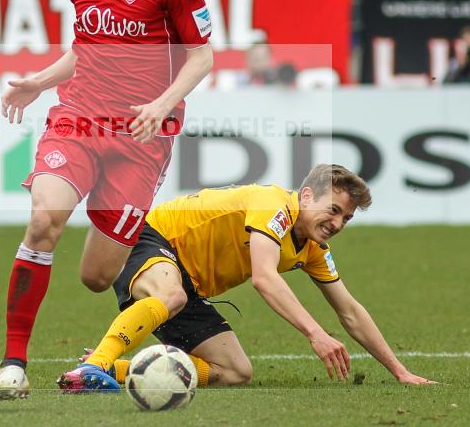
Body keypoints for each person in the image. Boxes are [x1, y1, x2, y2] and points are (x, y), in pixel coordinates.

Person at [0, 0, 214, 400]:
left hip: (142, 138)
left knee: (96, 275)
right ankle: (13, 364)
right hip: (80, 119)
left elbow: (201, 56)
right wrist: (38, 82)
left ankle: (132, 341)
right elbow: (84, 51)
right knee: (44, 223)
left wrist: (162, 105)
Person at [57, 164, 435, 391]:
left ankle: (112, 370)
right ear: (306, 196)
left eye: (346, 219)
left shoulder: (312, 248)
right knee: (171, 294)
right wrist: (316, 334)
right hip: (151, 239)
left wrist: (400, 372)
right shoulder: (275, 205)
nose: (337, 224)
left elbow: (349, 310)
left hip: (191, 285)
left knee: (235, 372)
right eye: (333, 210)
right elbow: (264, 278)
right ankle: (94, 364)